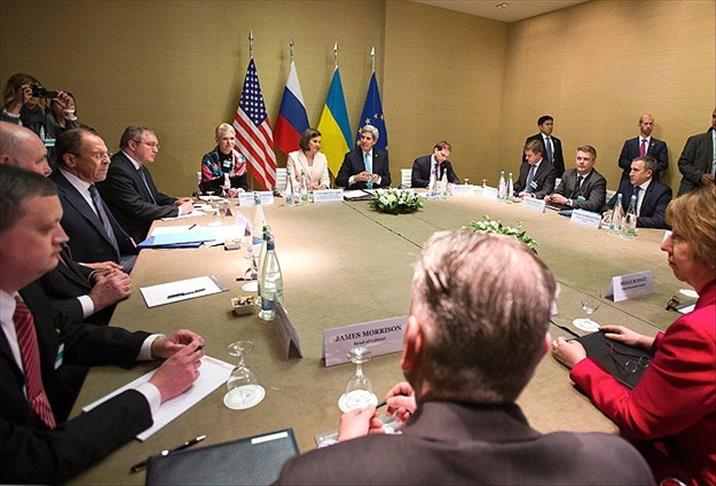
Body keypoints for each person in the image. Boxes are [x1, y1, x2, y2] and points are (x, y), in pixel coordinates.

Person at [276, 230, 653, 485]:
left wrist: (346, 458)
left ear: (411, 345)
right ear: (541, 354)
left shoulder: (315, 477)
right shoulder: (617, 467)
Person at [0, 165, 205, 483]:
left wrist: (151, 345)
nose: (63, 237)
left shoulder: (22, 287)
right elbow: (31, 459)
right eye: (46, 228)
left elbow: (65, 335)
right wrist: (155, 390)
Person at [552, 182, 716, 485]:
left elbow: (637, 419)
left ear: (708, 249)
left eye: (678, 237)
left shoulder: (699, 331)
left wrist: (581, 364)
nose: (665, 246)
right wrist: (655, 342)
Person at [0, 122, 130, 325]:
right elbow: (37, 318)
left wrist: (91, 274)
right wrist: (94, 300)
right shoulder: (38, 202)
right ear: (6, 164)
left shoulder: (89, 188)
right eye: (40, 160)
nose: (47, 169)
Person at [50, 128, 138, 271]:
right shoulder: (49, 195)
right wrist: (89, 272)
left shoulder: (90, 185)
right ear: (70, 160)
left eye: (107, 154)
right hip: (92, 276)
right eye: (98, 155)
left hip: (120, 263)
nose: (107, 161)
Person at [98, 126, 193, 242]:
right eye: (150, 145)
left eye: (157, 146)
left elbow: (153, 195)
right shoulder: (117, 169)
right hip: (134, 237)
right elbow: (137, 207)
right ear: (132, 145)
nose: (155, 150)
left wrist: (174, 201)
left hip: (148, 227)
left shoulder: (139, 167)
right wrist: (178, 211)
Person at [1, 73, 81, 167]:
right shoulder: (6, 116)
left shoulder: (46, 118)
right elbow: (5, 139)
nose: (33, 94)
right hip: (18, 169)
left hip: (47, 169)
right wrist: (17, 103)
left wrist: (69, 112)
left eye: (36, 89)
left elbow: (72, 142)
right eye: (28, 90)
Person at [603, 155, 672, 229]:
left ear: (648, 173)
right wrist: (609, 214)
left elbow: (660, 220)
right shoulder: (626, 185)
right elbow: (608, 206)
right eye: (631, 169)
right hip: (623, 230)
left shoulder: (662, 192)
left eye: (635, 170)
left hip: (645, 231)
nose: (630, 174)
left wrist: (627, 220)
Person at [544, 145, 606, 212]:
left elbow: (594, 204)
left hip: (583, 215)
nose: (581, 162)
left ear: (593, 162)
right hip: (563, 211)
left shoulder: (598, 180)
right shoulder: (568, 174)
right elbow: (559, 192)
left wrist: (568, 202)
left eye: (586, 159)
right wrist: (551, 197)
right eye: (579, 158)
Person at [335, 124, 391, 189]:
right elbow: (339, 181)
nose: (364, 141)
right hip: (357, 193)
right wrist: (355, 178)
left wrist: (378, 179)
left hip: (375, 193)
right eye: (363, 137)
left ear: (374, 141)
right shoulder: (351, 156)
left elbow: (388, 180)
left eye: (368, 139)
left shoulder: (382, 156)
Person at [199, 122, 248, 195]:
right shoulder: (208, 159)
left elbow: (244, 185)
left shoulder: (240, 159)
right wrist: (226, 192)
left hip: (235, 198)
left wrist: (240, 191)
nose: (229, 142)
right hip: (215, 198)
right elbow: (206, 187)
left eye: (232, 138)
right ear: (217, 140)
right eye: (225, 139)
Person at [617, 113, 668, 183]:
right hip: (629, 179)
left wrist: (647, 170)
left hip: (651, 180)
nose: (648, 126)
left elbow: (663, 164)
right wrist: (637, 168)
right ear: (639, 124)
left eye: (651, 124)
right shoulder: (629, 144)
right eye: (645, 123)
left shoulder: (660, 145)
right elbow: (622, 162)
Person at [676, 108, 716, 195]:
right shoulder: (696, 141)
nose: (715, 120)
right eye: (714, 116)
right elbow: (683, 163)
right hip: (694, 190)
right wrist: (699, 176)